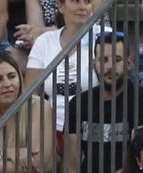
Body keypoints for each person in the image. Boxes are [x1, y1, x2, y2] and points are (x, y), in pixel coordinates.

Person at [63, 32, 143, 173]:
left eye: (117, 59)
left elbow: (141, 161)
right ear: (94, 64)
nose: (109, 67)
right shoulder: (79, 103)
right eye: (103, 60)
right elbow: (70, 161)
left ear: (128, 63)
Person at [26, 0, 100, 132]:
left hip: (93, 126)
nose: (82, 7)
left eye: (87, 2)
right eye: (76, 1)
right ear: (60, 6)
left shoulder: (105, 37)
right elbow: (30, 93)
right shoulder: (44, 41)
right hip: (51, 130)